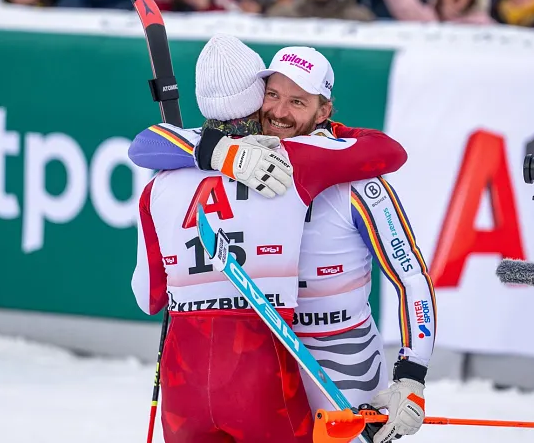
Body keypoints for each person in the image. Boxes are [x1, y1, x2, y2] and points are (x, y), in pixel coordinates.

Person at [129, 45, 433, 443]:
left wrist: (412, 377)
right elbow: (147, 144)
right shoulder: (232, 158)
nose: (279, 112)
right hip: (268, 358)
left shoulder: (355, 180)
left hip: (342, 360)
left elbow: (410, 277)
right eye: (272, 95)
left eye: (297, 102)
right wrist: (218, 152)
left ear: (324, 112)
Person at [131, 35, 316, 443]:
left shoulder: (159, 182)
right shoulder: (293, 160)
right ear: (258, 98)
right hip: (263, 368)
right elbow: (383, 154)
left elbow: (148, 298)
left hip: (185, 382)